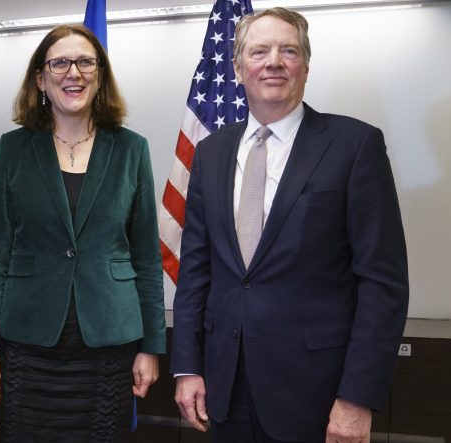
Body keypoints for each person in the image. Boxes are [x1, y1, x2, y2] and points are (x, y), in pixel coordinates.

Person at [171, 7, 408, 443]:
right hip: (224, 388)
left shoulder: (355, 145)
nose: (274, 61)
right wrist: (188, 366)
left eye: (289, 50)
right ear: (239, 68)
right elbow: (196, 271)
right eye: (259, 51)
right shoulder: (211, 153)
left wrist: (357, 397)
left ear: (306, 66)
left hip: (317, 394)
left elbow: (383, 284)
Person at [0, 24, 166, 442]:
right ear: (40, 78)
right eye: (59, 62)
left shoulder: (132, 149)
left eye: (84, 62)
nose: (72, 72)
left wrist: (151, 345)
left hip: (109, 342)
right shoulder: (14, 149)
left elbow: (147, 258)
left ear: (100, 75)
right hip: (27, 341)